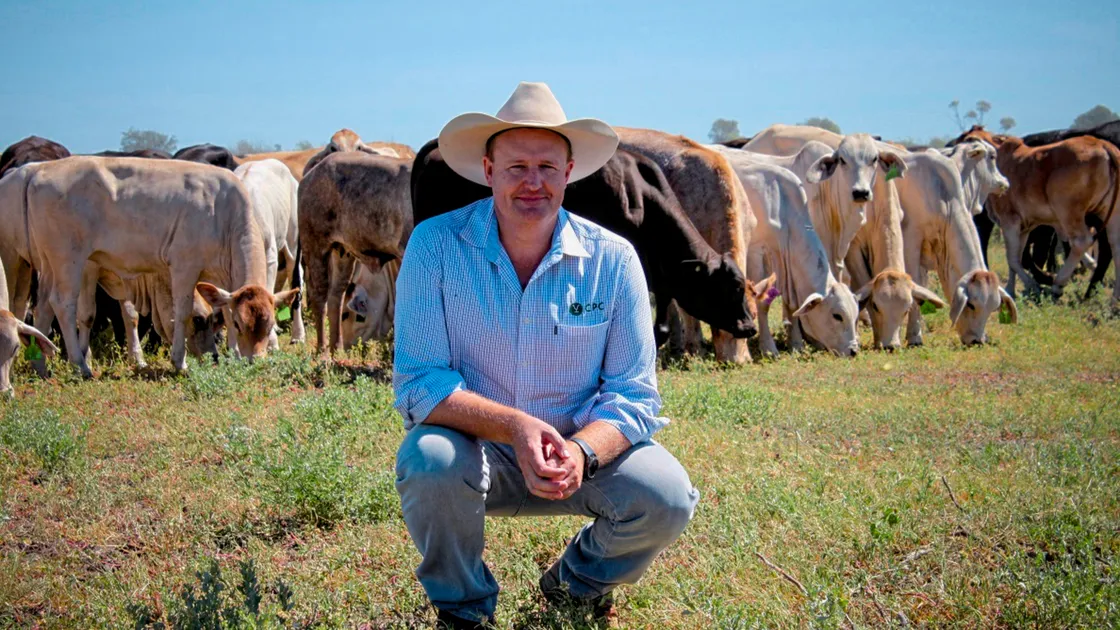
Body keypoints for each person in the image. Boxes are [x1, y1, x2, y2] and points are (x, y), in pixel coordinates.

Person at [393, 82, 699, 629]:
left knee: (668, 495)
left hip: (579, 459)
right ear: (488, 170)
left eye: (546, 167)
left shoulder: (615, 259)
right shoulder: (434, 245)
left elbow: (634, 395)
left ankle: (574, 586)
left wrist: (581, 453)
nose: (532, 182)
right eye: (516, 167)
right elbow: (419, 382)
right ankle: (463, 608)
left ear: (569, 171)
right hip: (477, 451)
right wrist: (514, 427)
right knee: (428, 459)